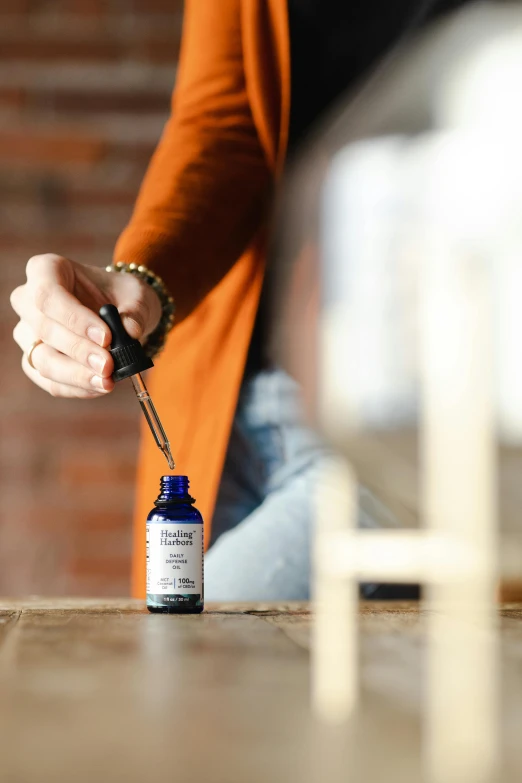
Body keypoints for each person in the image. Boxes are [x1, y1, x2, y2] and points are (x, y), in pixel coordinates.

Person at [10, 0, 468, 600]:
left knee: (192, 665)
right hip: (231, 405)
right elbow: (226, 124)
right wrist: (143, 277)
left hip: (409, 413)